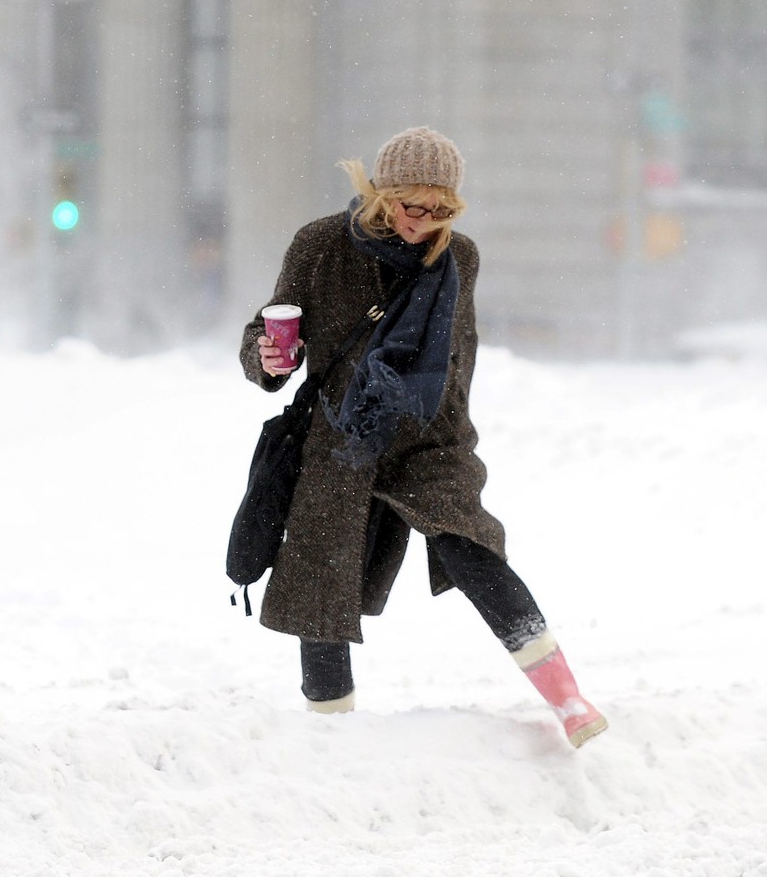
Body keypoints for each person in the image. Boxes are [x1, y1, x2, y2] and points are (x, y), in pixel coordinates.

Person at [239, 126, 609, 748]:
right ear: (382, 194)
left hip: (427, 438)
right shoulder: (321, 245)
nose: (425, 223)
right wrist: (267, 358)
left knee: (472, 547)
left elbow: (454, 359)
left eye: (442, 211)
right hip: (339, 437)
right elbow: (270, 326)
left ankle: (568, 700)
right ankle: (332, 740)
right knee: (321, 589)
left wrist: (453, 452)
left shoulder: (457, 256)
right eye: (414, 207)